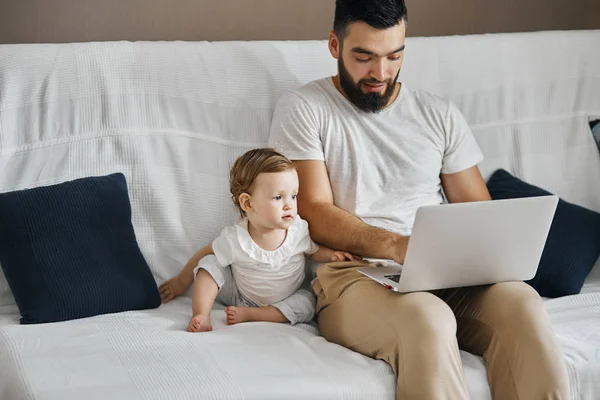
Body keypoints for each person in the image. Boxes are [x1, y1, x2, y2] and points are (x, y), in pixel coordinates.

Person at [267, 1, 570, 399]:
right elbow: (315, 212)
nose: (381, 73)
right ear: (334, 45)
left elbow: (479, 211)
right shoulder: (305, 108)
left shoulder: (438, 114)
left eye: (395, 56)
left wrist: (485, 254)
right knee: (428, 318)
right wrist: (395, 245)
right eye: (364, 56)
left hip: (444, 271)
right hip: (354, 278)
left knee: (523, 304)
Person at [159, 148, 358, 332]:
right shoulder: (237, 238)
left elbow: (312, 251)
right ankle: (201, 315)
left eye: (293, 196)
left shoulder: (298, 229)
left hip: (287, 298)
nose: (289, 205)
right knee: (208, 263)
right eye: (278, 197)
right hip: (240, 296)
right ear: (247, 203)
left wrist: (332, 255)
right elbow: (205, 252)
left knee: (307, 303)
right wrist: (180, 282)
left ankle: (255, 315)